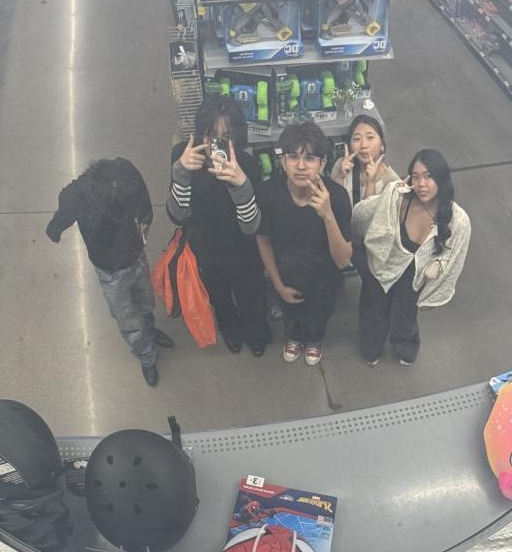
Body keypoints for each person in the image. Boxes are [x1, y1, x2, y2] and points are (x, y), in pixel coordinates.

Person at [46, 158, 172, 387]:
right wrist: (55, 228)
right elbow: (62, 215)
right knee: (129, 321)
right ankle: (147, 358)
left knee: (146, 302)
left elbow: (142, 199)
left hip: (135, 257)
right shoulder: (82, 195)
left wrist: (145, 219)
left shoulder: (123, 178)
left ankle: (150, 332)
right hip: (111, 272)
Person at [167, 96, 270, 356]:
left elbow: (251, 226)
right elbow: (178, 215)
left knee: (252, 296)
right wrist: (181, 172)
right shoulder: (184, 157)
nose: (217, 146)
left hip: (243, 251)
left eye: (226, 137)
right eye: (211, 136)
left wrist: (241, 185)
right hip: (206, 248)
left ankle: (257, 334)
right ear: (200, 134)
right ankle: (231, 330)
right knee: (219, 297)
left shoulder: (246, 164)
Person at [353, 148, 471, 367]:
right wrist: (389, 195)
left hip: (413, 279)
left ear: (441, 178)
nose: (421, 184)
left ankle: (405, 349)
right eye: (415, 177)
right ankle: (371, 348)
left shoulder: (458, 220)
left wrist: (435, 292)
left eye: (428, 176)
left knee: (405, 316)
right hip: (383, 267)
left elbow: (454, 260)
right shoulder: (399, 199)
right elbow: (360, 215)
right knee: (373, 310)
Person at [255, 122, 352, 367]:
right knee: (290, 317)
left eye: (309, 158)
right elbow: (263, 240)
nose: (300, 166)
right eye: (293, 157)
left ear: (322, 163)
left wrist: (327, 215)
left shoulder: (338, 198)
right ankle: (294, 338)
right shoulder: (268, 194)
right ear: (282, 161)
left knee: (319, 319)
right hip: (286, 277)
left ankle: (314, 340)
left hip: (324, 282)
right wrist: (278, 285)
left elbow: (343, 261)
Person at [330, 113, 399, 208]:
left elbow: (367, 215)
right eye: (357, 139)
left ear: (382, 145)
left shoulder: (392, 183)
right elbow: (332, 207)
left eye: (370, 137)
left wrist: (370, 183)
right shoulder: (340, 165)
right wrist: (341, 176)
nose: (363, 145)